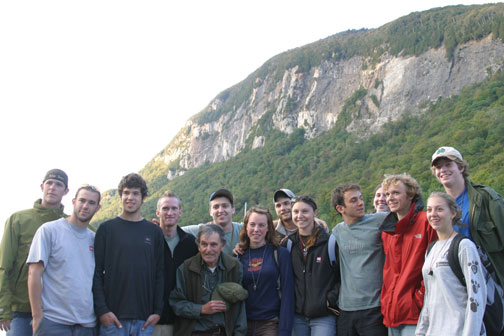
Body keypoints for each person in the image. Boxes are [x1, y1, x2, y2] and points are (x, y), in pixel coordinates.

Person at [92, 173, 164, 336]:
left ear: (143, 197)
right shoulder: (106, 229)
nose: (130, 197)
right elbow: (96, 273)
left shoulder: (154, 232)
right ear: (120, 195)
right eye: (126, 193)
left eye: (135, 193)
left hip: (145, 321)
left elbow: (159, 274)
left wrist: (158, 311)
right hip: (113, 320)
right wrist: (102, 310)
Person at [0, 169, 69, 336]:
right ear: (42, 187)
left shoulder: (70, 225)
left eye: (58, 185)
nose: (52, 187)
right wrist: (3, 309)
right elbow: (4, 266)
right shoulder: (18, 220)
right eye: (49, 183)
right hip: (20, 311)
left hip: (57, 313)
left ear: (66, 191)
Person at [27, 185, 101, 335]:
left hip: (87, 325)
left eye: (91, 203)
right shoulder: (49, 231)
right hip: (54, 322)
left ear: (97, 208)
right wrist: (37, 316)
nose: (85, 206)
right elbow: (33, 273)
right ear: (74, 201)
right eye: (82, 200)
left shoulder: (95, 239)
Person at [431, 146, 504, 287]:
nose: (443, 170)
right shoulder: (437, 208)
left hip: (492, 281)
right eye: (438, 167)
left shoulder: (485, 198)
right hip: (459, 284)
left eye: (448, 165)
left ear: (461, 167)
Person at [416, 192, 486, 336]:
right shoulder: (431, 249)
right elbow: (429, 298)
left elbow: (477, 295)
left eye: (439, 209)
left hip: (459, 330)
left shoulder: (464, 246)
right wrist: (421, 332)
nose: (433, 214)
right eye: (429, 210)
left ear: (453, 213)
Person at [380, 173, 437, 336]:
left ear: (410, 195)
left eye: (396, 193)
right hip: (392, 312)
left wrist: (418, 299)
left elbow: (436, 266)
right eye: (387, 194)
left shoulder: (426, 222)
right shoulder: (387, 231)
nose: (390, 198)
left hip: (416, 313)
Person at [170, 224, 247, 335]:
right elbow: (176, 303)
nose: (208, 250)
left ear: (222, 246)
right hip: (195, 332)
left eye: (213, 245)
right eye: (204, 244)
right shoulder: (186, 268)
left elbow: (239, 308)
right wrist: (201, 309)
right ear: (198, 246)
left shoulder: (234, 267)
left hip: (224, 332)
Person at [331, 184, 388, 336]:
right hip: (345, 310)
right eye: (354, 200)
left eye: (361, 198)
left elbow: (409, 217)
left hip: (375, 308)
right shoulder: (337, 231)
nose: (361, 203)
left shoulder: (380, 220)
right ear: (340, 209)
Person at [285, 196, 339, 335]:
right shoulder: (289, 244)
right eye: (295, 212)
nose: (299, 216)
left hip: (323, 315)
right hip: (297, 316)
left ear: (315, 212)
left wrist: (329, 300)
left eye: (305, 211)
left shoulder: (330, 242)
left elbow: (341, 276)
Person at [237, 207, 294, 336]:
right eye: (252, 224)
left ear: (268, 228)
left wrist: (284, 330)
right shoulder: (239, 256)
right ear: (246, 227)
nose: (256, 229)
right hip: (243, 324)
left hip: (270, 323)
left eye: (261, 225)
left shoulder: (279, 254)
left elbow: (288, 293)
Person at [154, 191, 198, 336]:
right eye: (165, 208)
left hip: (182, 321)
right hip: (153, 319)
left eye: (174, 209)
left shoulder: (190, 243)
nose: (170, 212)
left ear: (180, 212)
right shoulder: (149, 242)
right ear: (158, 212)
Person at [182, 189, 242, 256]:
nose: (220, 210)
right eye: (216, 207)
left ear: (233, 209)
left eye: (225, 206)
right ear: (210, 212)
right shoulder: (201, 230)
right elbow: (174, 231)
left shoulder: (243, 230)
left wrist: (245, 245)